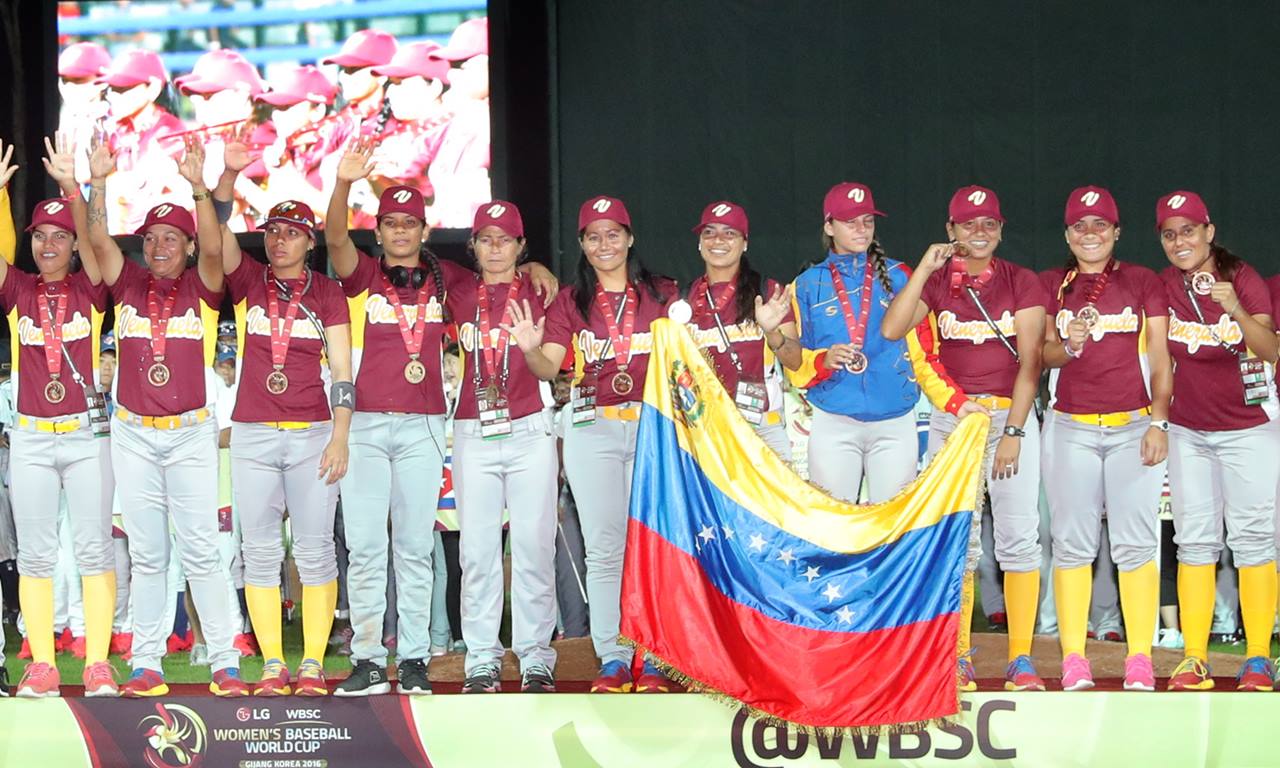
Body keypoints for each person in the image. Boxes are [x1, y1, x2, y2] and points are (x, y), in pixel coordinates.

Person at [323, 143, 556, 696]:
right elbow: (334, 239)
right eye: (391, 224)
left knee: (415, 545)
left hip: (428, 423)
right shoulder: (365, 277)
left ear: (426, 232)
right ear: (377, 232)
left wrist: (533, 267)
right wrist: (340, 185)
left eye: (411, 224)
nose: (401, 232)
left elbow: (505, 270)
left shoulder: (446, 278)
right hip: (369, 424)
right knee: (365, 547)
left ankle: (415, 658)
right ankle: (366, 657)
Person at [81, 133, 249, 696]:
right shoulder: (125, 282)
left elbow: (211, 245)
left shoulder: (204, 285)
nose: (158, 247)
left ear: (185, 244)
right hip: (131, 432)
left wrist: (200, 188)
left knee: (201, 547)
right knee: (149, 553)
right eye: (150, 238)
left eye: (170, 238)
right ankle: (146, 662)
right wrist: (98, 181)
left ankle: (225, 658)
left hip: (189, 434)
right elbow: (98, 237)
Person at [882, 185, 1049, 692]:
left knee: (1019, 536)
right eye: (968, 224)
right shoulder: (936, 283)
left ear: (1000, 230)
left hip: (1008, 417)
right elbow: (892, 329)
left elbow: (1032, 361)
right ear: (950, 230)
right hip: (955, 421)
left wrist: (1015, 432)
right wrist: (926, 271)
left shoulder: (1021, 280)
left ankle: (1020, 656)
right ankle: (958, 656)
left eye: (989, 224)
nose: (980, 232)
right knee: (957, 540)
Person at [508, 195, 676, 693]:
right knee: (604, 549)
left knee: (654, 545)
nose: (604, 244)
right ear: (581, 244)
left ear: (630, 237)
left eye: (613, 233)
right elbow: (549, 365)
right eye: (593, 236)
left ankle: (657, 655)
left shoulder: (663, 294)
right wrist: (528, 347)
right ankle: (614, 655)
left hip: (652, 428)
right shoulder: (570, 301)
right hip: (591, 426)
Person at [211, 161, 353, 695]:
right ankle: (273, 662)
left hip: (314, 432)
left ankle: (312, 662)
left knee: (315, 549)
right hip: (251, 433)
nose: (279, 241)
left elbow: (342, 369)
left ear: (309, 242)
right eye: (272, 232)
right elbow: (217, 232)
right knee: (261, 550)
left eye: (292, 233)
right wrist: (224, 178)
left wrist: (340, 435)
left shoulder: (327, 294)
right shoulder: (247, 278)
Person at [1038, 186, 1171, 691]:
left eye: (1100, 225)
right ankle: (1074, 656)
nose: (1089, 234)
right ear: (1067, 235)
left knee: (1136, 544)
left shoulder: (1141, 280)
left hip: (1134, 425)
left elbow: (1161, 357)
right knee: (1071, 544)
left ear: (1116, 232)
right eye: (1079, 226)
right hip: (1070, 426)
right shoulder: (1052, 283)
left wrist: (1160, 420)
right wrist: (1066, 347)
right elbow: (1042, 356)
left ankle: (1140, 655)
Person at [2, 136, 115, 697]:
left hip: (84, 435)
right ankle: (43, 663)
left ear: (72, 244)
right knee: (37, 552)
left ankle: (97, 663)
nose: (48, 245)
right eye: (39, 237)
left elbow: (99, 241)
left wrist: (75, 186)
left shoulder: (91, 288)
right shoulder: (18, 289)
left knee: (94, 547)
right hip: (29, 439)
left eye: (58, 236)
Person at [1155, 190, 1279, 691]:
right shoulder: (1162, 284)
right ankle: (1194, 656)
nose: (1180, 240)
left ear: (1209, 232)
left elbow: (1270, 349)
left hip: (1248, 428)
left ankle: (1256, 656)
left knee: (1253, 540)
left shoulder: (1242, 277)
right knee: (1195, 543)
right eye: (1169, 233)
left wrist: (1235, 308)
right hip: (1188, 430)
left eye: (1189, 230)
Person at [447, 201, 559, 693]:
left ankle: (536, 654)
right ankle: (482, 657)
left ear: (521, 246)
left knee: (535, 547)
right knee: (477, 551)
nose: (495, 248)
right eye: (485, 238)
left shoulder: (542, 289)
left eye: (505, 239)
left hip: (530, 428)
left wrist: (539, 272)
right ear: (471, 244)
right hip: (473, 430)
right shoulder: (454, 286)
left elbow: (553, 365)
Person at [790, 183, 950, 501]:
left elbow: (925, 353)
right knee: (836, 527)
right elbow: (796, 367)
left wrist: (954, 402)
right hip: (834, 421)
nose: (861, 229)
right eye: (850, 221)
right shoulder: (806, 285)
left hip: (895, 421)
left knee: (892, 527)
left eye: (868, 220)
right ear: (828, 225)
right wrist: (823, 359)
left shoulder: (903, 275)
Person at [685, 200, 798, 457]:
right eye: (709, 233)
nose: (718, 240)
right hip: (707, 429)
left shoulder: (769, 292)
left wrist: (771, 331)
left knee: (773, 498)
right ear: (700, 242)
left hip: (763, 428)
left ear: (745, 243)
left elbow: (794, 361)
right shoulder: (682, 299)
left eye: (730, 233)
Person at [95, 49, 185, 232]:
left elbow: (187, 195)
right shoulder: (116, 129)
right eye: (111, 89)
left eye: (122, 89)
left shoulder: (168, 132)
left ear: (152, 88)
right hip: (123, 237)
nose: (112, 96)